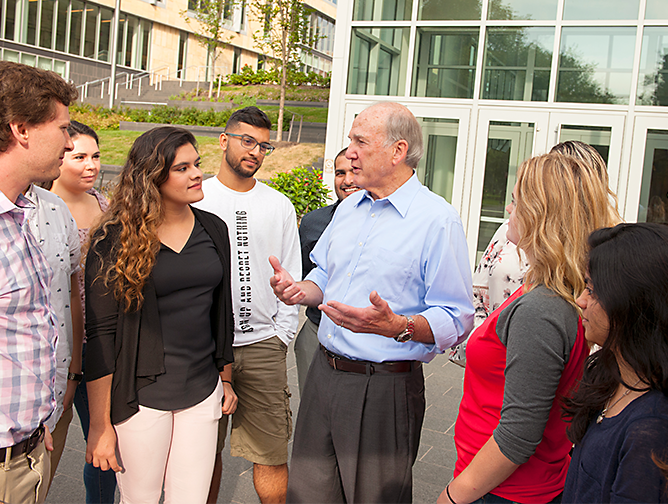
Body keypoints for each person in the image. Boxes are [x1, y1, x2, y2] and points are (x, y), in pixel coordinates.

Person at [270, 101, 474, 503]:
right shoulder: (349, 208)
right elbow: (325, 275)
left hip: (384, 388)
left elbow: (457, 317)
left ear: (398, 151)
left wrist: (398, 326)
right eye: (350, 141)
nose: (349, 153)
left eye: (360, 141)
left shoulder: (437, 220)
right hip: (323, 376)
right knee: (307, 495)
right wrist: (300, 291)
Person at [440, 153, 620, 504]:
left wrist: (453, 496)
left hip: (504, 490)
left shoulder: (542, 308)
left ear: (541, 214)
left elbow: (519, 434)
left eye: (516, 200)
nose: (509, 209)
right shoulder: (553, 291)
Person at [84, 127, 237, 503]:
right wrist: (100, 426)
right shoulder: (114, 239)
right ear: (152, 176)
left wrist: (226, 379)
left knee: (192, 499)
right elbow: (101, 335)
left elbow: (222, 312)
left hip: (202, 391)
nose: (197, 173)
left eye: (197, 164)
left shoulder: (213, 228)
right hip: (141, 396)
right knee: (142, 499)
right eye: (182, 168)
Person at [194, 106, 301, 504]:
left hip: (262, 346)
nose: (255, 151)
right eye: (247, 140)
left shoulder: (279, 206)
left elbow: (291, 273)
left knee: (270, 453)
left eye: (264, 145)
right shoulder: (197, 197)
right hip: (203, 349)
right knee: (202, 455)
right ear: (224, 141)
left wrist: (280, 336)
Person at [0, 61, 77, 504]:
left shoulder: (22, 215)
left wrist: (37, 423)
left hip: (27, 451)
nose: (69, 143)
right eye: (63, 129)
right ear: (21, 129)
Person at [562, 223, 668, 503]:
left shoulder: (650, 431)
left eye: (593, 291)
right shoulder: (610, 377)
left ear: (633, 304)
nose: (580, 301)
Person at [49, 120, 117, 503]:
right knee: (47, 450)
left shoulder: (105, 205)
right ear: (58, 158)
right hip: (57, 349)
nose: (91, 165)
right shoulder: (41, 210)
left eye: (95, 156)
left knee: (102, 447)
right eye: (79, 157)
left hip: (103, 346)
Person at [24, 183, 83, 492]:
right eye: (61, 130)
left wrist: (72, 373)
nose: (67, 142)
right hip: (12, 402)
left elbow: (70, 289)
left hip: (55, 387)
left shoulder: (56, 208)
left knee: (38, 491)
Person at [294, 147, 360, 394]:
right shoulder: (313, 223)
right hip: (316, 328)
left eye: (353, 171)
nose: (347, 181)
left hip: (361, 339)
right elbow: (306, 276)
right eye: (339, 173)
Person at [448, 221, 528, 366]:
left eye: (514, 202)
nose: (508, 208)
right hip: (490, 352)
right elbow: (478, 290)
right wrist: (479, 344)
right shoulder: (508, 228)